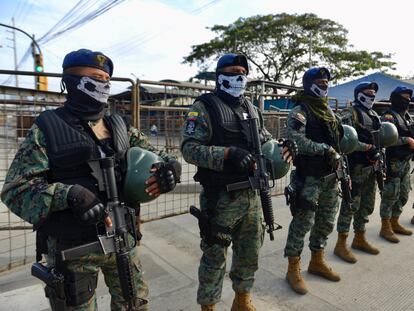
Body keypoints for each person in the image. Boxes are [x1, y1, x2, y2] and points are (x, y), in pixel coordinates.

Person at [1, 49, 181, 311]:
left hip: (122, 238)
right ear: (72, 81)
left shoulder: (120, 126)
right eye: (97, 77)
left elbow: (162, 157)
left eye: (107, 79)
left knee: (135, 305)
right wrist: (68, 194)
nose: (104, 85)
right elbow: (15, 191)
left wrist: (170, 169)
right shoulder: (47, 128)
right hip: (73, 248)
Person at [181, 53, 295, 311]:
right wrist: (228, 154)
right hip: (220, 198)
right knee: (214, 258)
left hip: (253, 196)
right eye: (233, 71)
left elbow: (265, 140)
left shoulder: (251, 108)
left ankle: (242, 300)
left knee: (250, 252)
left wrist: (284, 147)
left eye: (243, 72)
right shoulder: (204, 107)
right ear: (220, 75)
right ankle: (208, 306)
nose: (239, 77)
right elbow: (189, 149)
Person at [284, 67, 347, 295]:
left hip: (331, 177)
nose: (324, 85)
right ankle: (293, 268)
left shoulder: (328, 112)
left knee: (326, 221)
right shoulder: (300, 111)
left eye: (326, 82)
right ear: (308, 84)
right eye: (320, 82)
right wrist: (324, 149)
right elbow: (295, 140)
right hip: (310, 179)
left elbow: (340, 142)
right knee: (302, 224)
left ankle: (317, 261)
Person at [334, 82, 382, 263]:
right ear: (358, 95)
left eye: (373, 93)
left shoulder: (374, 115)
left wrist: (378, 154)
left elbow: (379, 138)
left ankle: (359, 238)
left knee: (367, 205)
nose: (371, 96)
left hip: (372, 166)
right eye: (368, 93)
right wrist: (366, 148)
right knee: (350, 205)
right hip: (356, 167)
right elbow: (344, 141)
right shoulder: (350, 114)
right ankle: (341, 244)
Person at [379, 86, 414, 242]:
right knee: (390, 195)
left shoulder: (406, 116)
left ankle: (395, 221)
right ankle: (385, 227)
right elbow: (384, 140)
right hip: (393, 161)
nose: (407, 100)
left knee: (404, 193)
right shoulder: (389, 116)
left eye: (408, 97)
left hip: (406, 161)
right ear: (396, 98)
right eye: (404, 97)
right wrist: (406, 140)